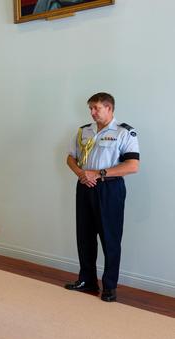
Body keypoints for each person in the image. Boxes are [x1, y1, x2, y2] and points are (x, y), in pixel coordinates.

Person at [65, 92, 140, 303]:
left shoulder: (124, 132)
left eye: (96, 108)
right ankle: (87, 280)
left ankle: (109, 286)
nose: (92, 112)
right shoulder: (84, 131)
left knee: (110, 238)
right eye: (91, 108)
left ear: (109, 108)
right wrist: (81, 173)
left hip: (110, 189)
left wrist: (99, 174)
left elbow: (132, 165)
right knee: (85, 236)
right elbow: (71, 158)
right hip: (84, 187)